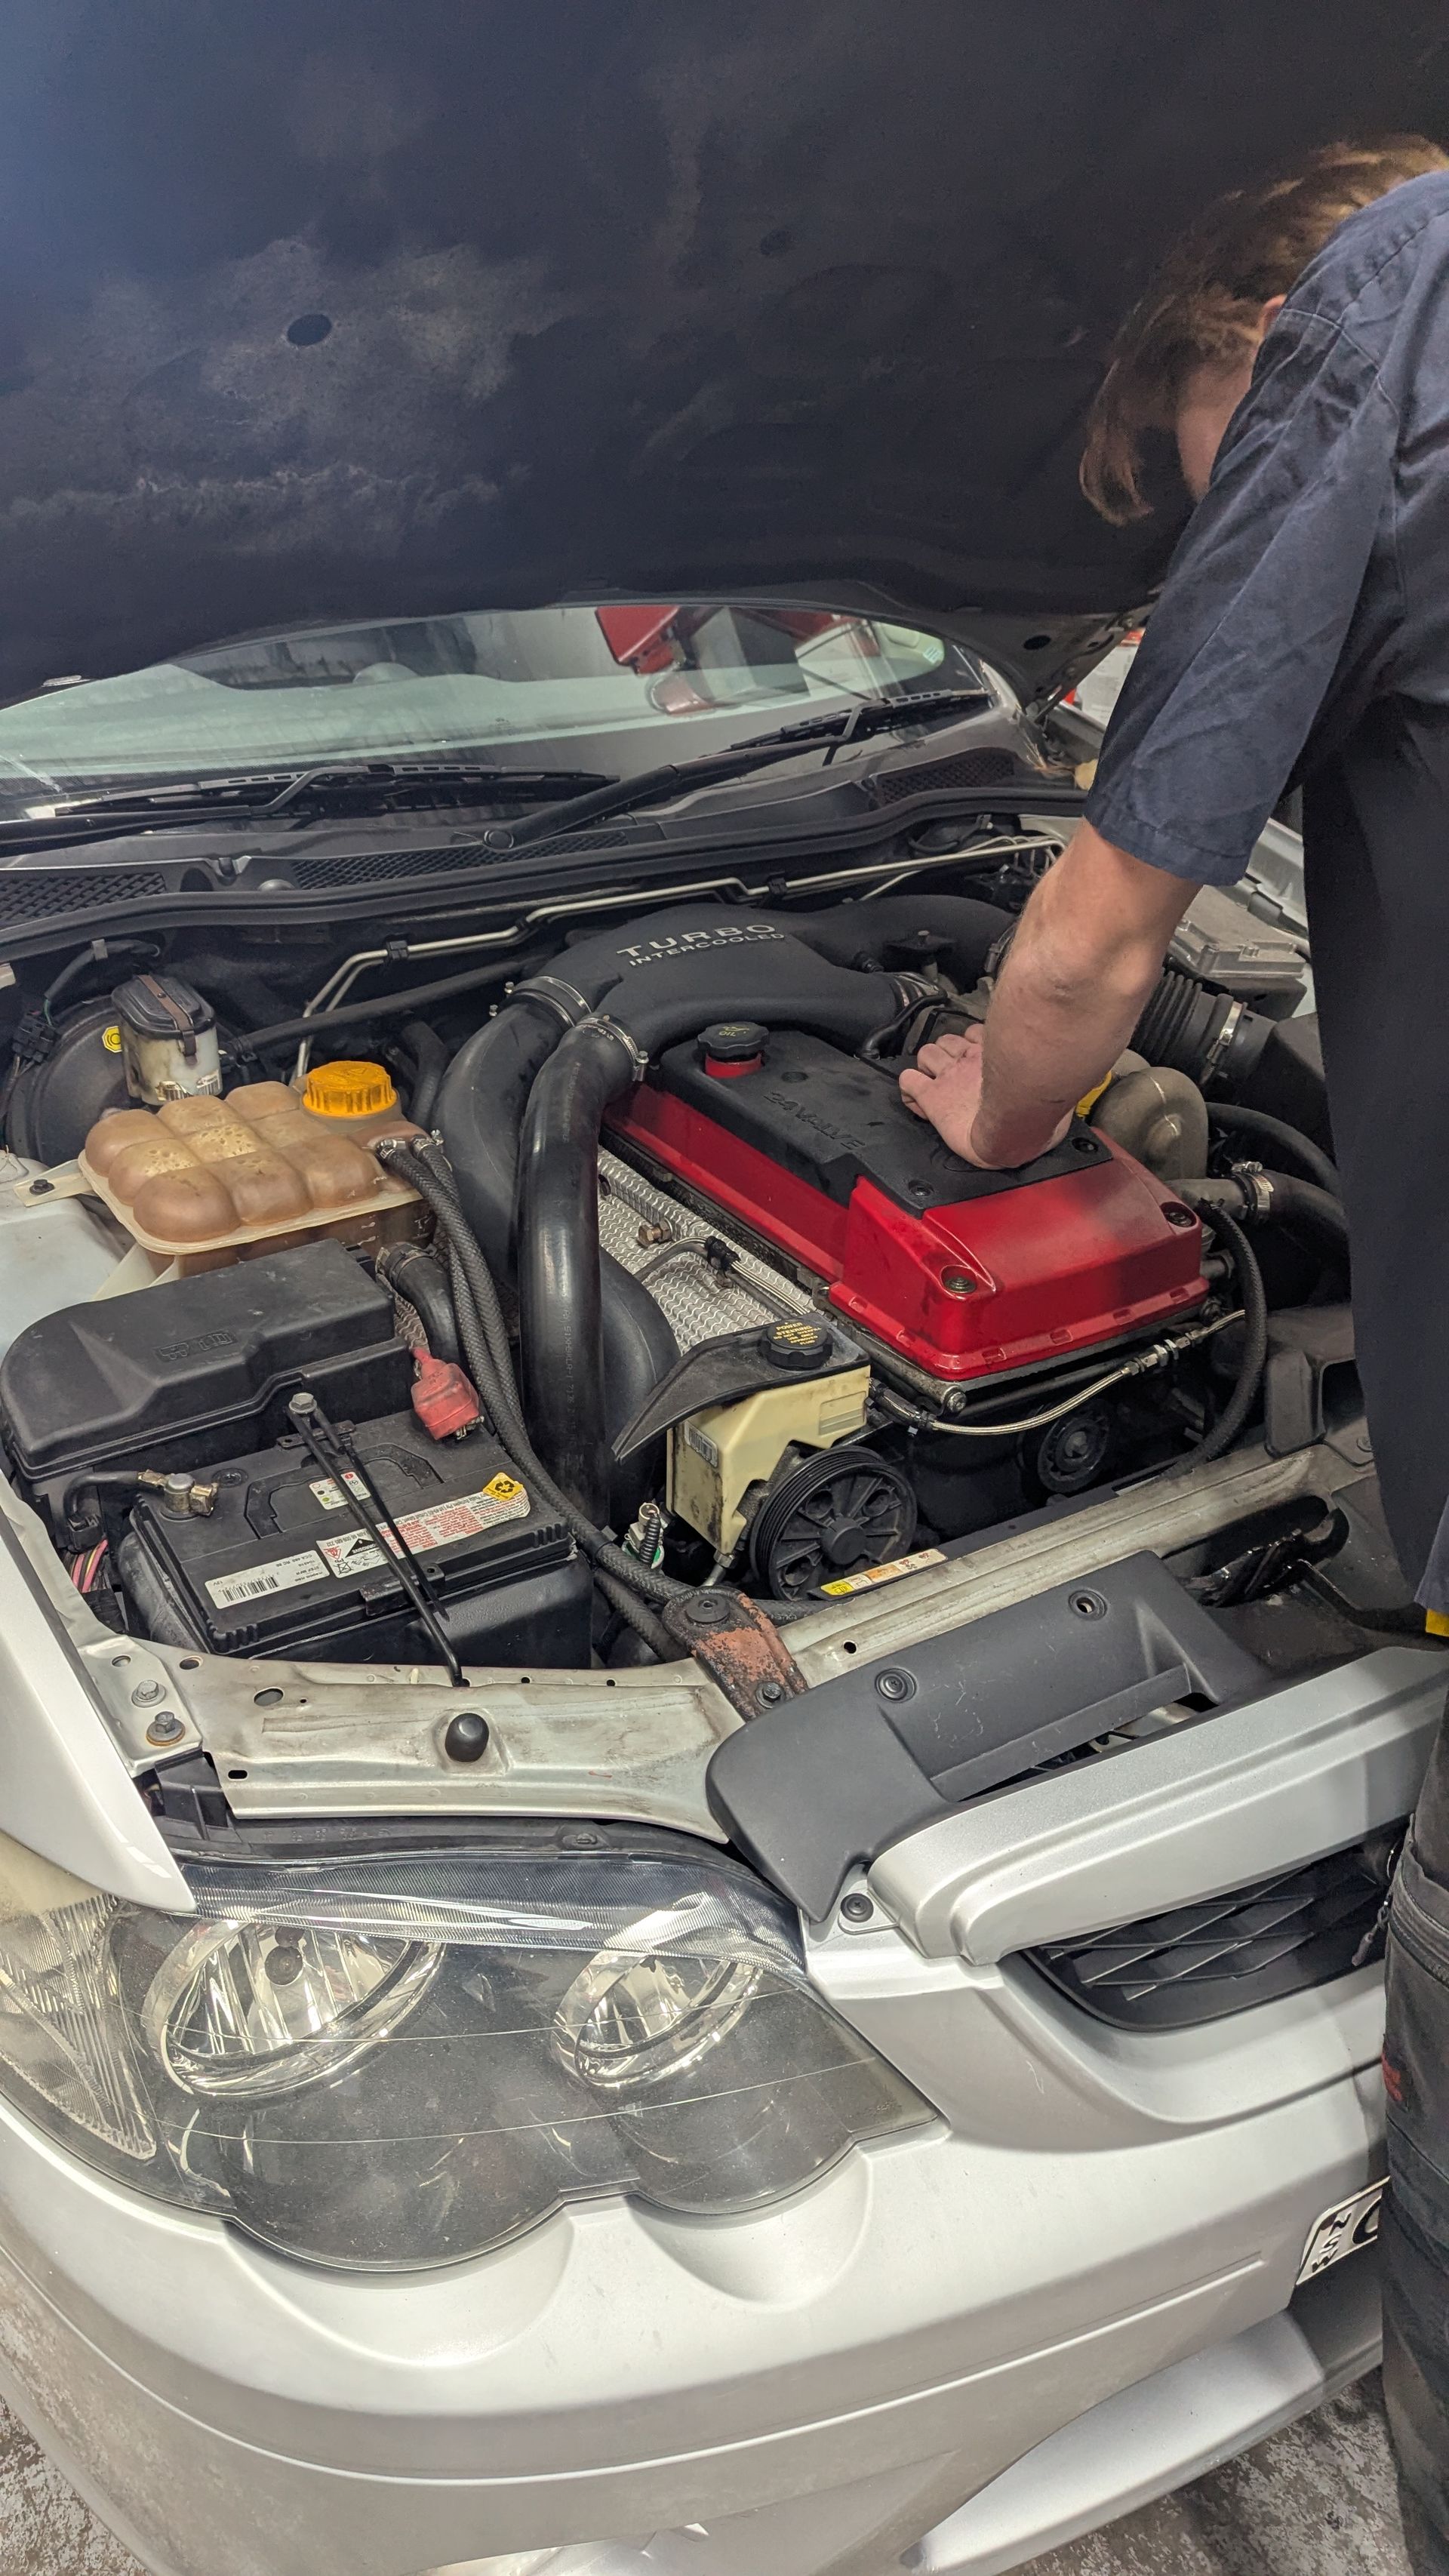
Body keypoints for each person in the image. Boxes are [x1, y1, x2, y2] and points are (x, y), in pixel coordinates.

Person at [900, 137, 1449, 2571]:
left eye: (1209, 489)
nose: (1237, 556)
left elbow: (1091, 964)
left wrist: (977, 1125)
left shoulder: (1372, 330)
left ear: (1263, 336)